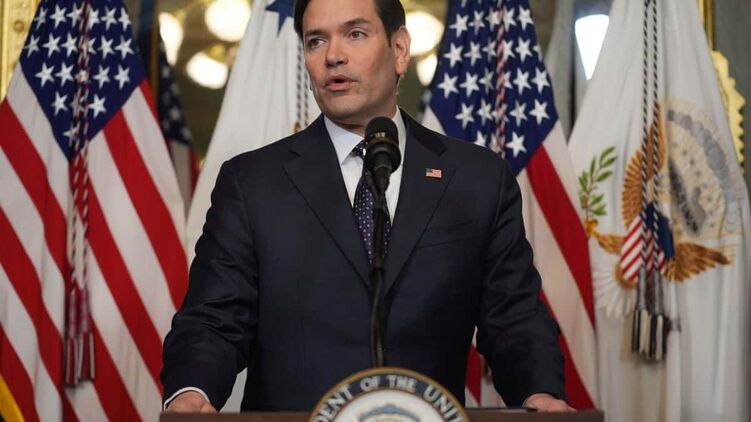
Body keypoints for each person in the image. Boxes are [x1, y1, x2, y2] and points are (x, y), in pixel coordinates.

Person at [162, 0, 573, 413]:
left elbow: (514, 317)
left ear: (399, 50)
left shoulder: (477, 178)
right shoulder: (252, 183)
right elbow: (213, 320)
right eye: (316, 41)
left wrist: (539, 393)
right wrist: (191, 392)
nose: (333, 55)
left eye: (355, 34)